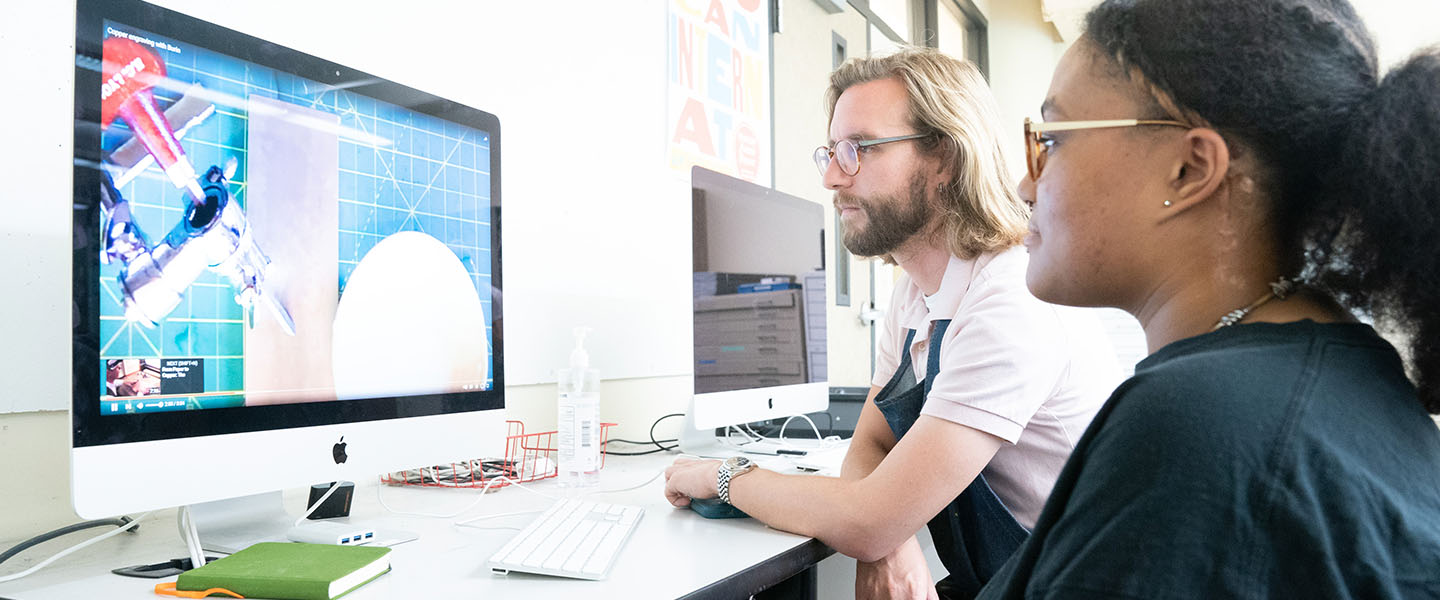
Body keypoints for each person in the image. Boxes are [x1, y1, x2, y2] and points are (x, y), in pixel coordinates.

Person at [979, 1, 1440, 597]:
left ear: (1190, 169)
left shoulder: (1201, 425)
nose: (1024, 184)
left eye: (1053, 139)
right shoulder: (1334, 371)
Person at [664, 47, 1121, 599]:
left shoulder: (1010, 298)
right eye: (832, 151)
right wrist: (886, 539)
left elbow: (868, 519)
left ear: (946, 158)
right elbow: (870, 445)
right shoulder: (915, 293)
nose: (833, 176)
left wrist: (725, 477)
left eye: (859, 149)